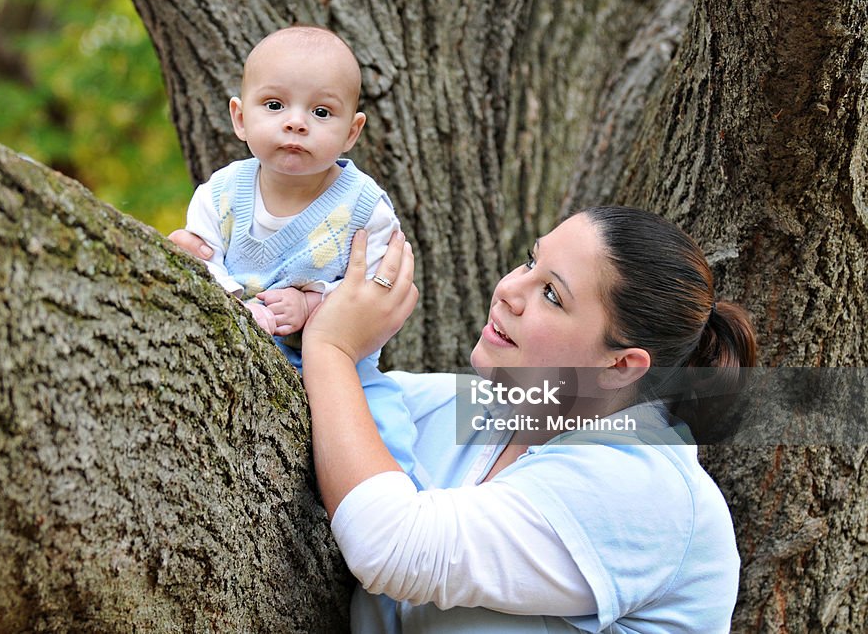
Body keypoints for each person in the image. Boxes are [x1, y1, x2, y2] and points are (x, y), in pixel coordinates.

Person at [292, 205, 757, 632]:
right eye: (530, 262)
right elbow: (340, 399)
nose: (509, 291)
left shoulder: (647, 489)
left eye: (552, 294)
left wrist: (331, 348)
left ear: (620, 366)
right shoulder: (480, 410)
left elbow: (389, 546)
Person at [169, 25, 426, 487]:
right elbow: (201, 261)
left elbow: (374, 291)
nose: (296, 122)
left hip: (343, 370)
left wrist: (312, 305)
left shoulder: (364, 208)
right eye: (274, 105)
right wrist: (235, 304)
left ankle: (401, 505)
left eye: (321, 111)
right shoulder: (220, 196)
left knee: (385, 424)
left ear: (352, 131)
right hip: (236, 347)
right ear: (240, 117)